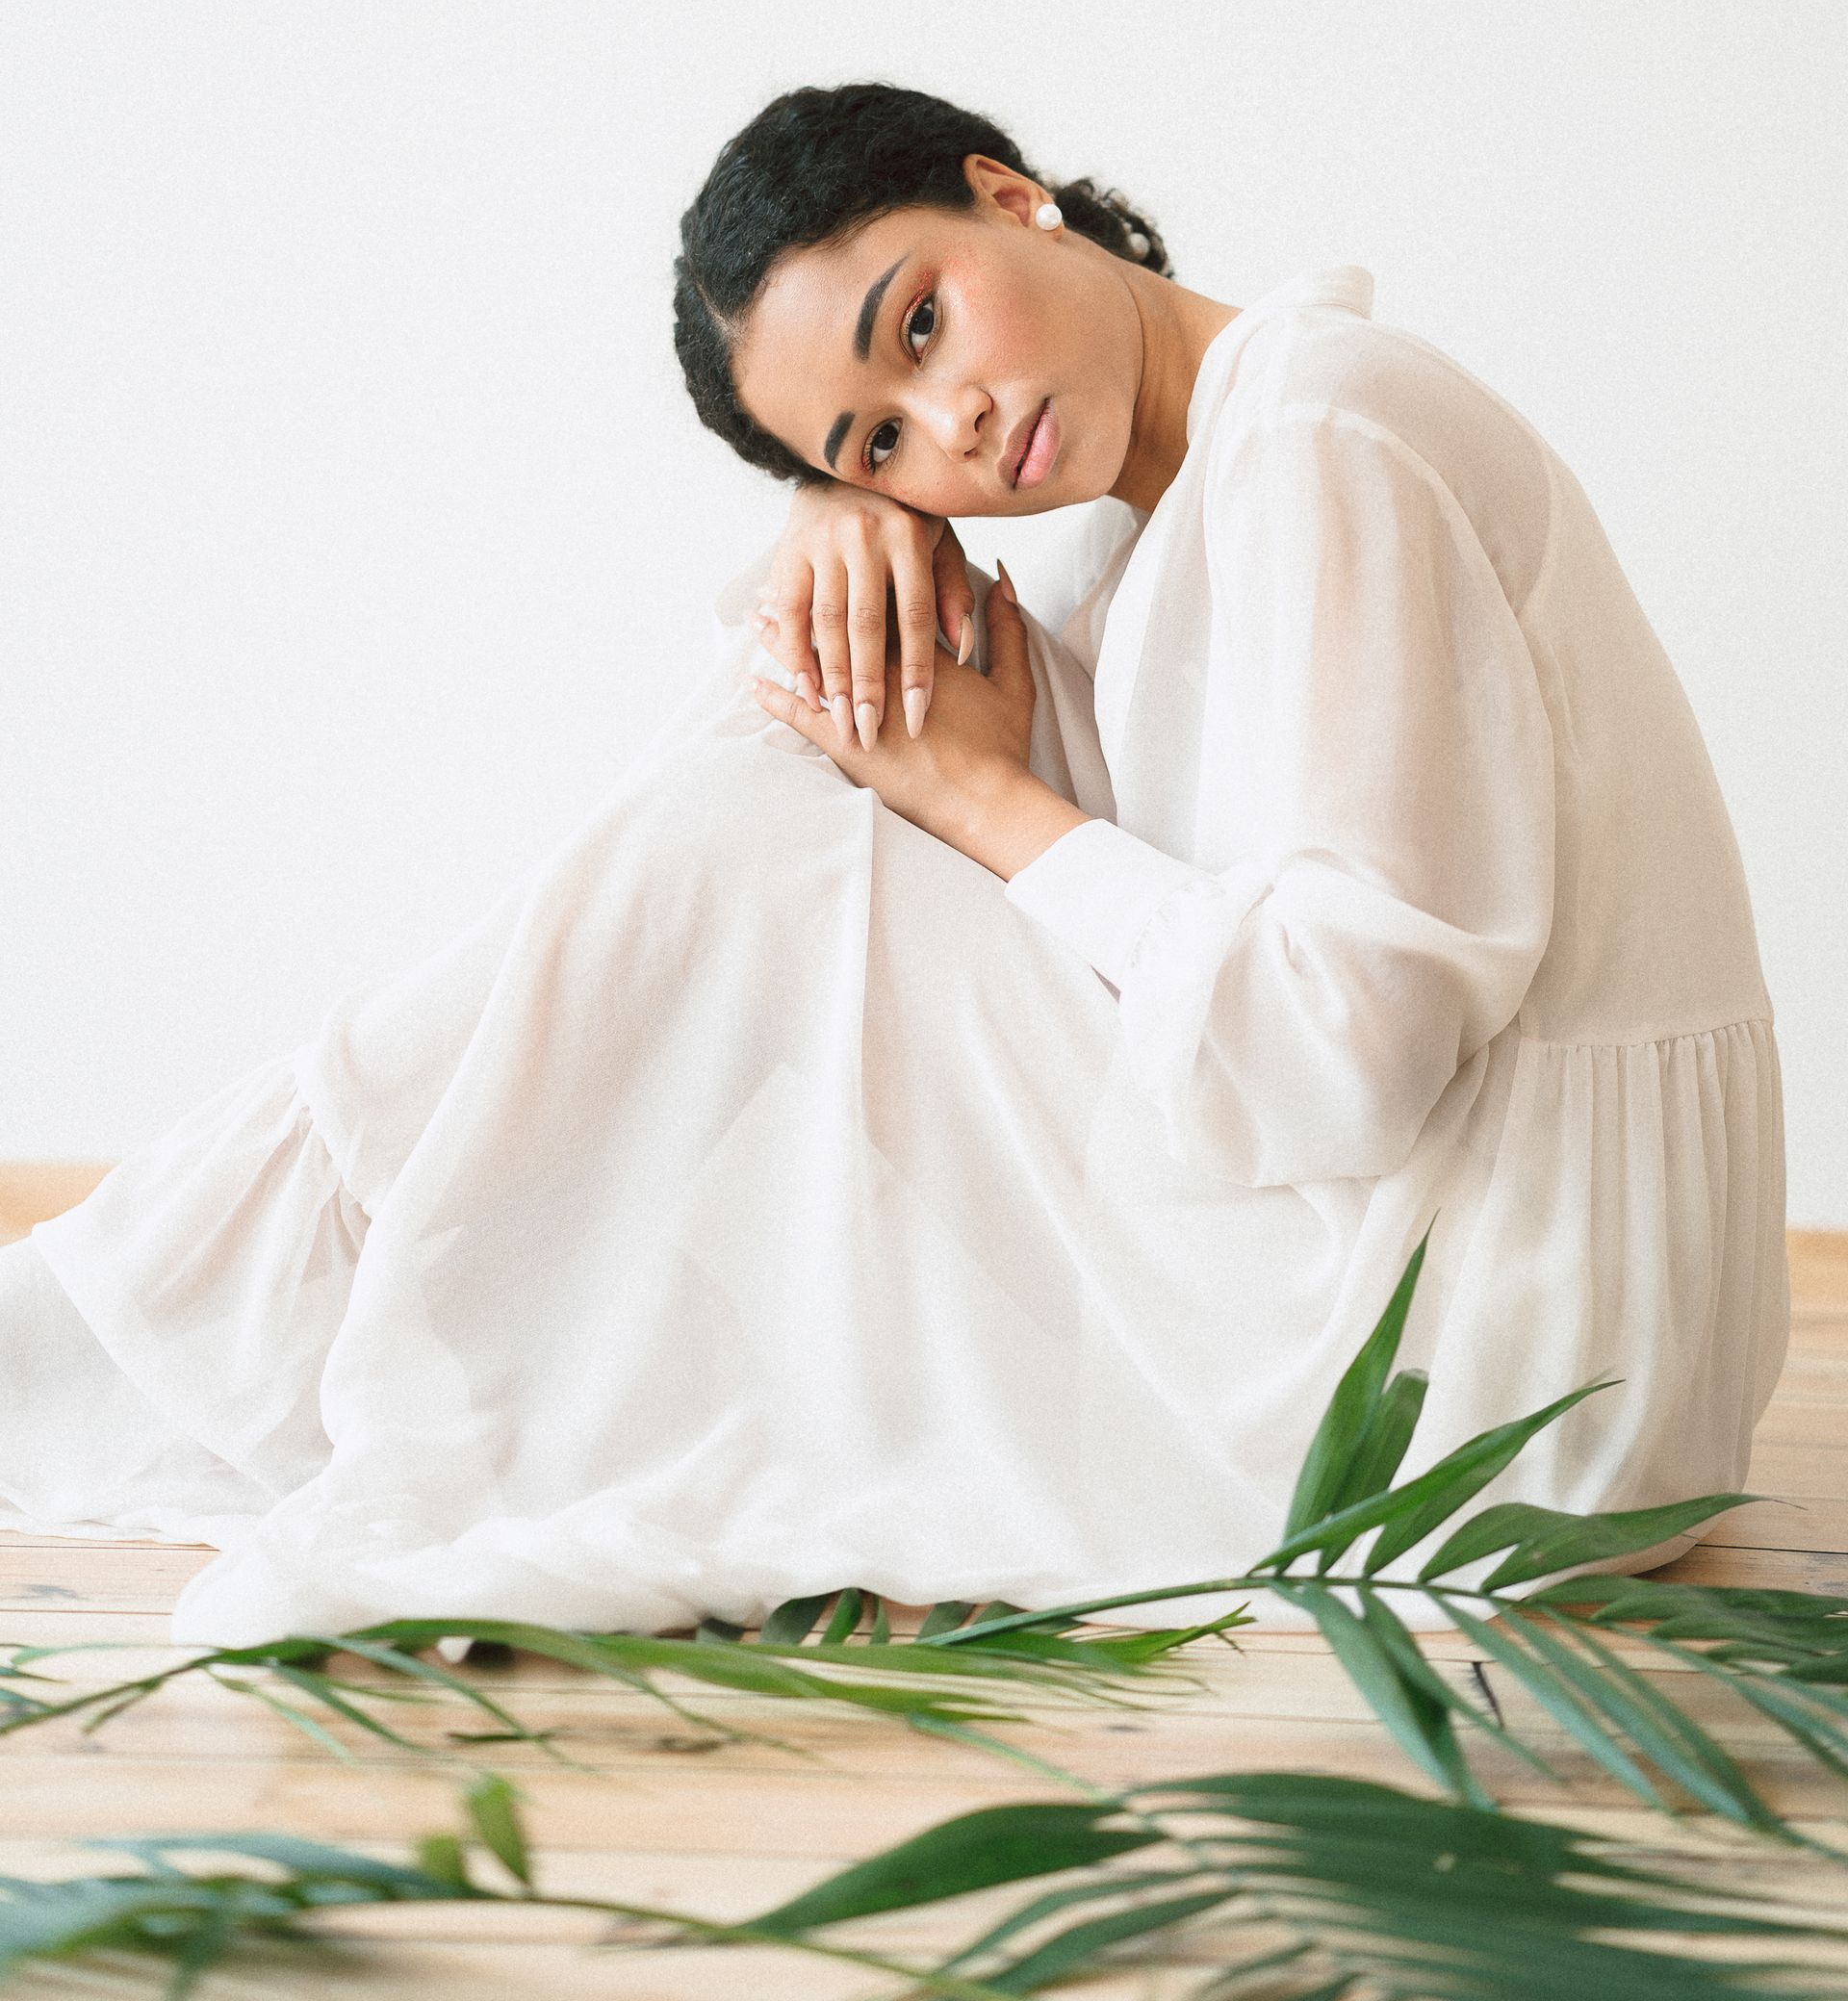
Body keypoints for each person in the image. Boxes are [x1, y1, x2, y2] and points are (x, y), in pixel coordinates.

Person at [0, 82, 1786, 1647]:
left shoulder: (1324, 429)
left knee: (757, 822)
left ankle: (194, 1310)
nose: (956, 426)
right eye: (880, 435)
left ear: (1010, 190)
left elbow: (1341, 1061)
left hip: (1507, 1383)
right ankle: (246, 1295)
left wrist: (983, 801)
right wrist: (834, 525)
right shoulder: (1158, 519)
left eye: (922, 324)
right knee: (780, 746)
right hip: (1525, 1317)